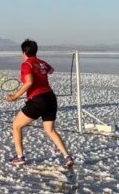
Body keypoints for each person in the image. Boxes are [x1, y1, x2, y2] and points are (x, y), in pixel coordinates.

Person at [5, 39, 74, 168]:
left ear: (24, 52)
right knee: (50, 130)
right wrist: (41, 71)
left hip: (38, 100)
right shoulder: (41, 63)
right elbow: (51, 70)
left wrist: (15, 96)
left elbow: (29, 82)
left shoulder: (26, 64)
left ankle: (20, 157)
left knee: (16, 126)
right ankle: (67, 157)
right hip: (50, 98)